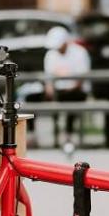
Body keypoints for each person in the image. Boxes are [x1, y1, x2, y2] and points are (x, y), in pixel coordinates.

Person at [43, 26, 91, 154]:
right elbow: (49, 78)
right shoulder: (51, 55)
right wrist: (50, 90)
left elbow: (81, 79)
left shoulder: (80, 52)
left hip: (77, 90)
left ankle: (67, 134)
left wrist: (69, 87)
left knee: (71, 99)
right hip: (59, 90)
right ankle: (52, 132)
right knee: (35, 97)